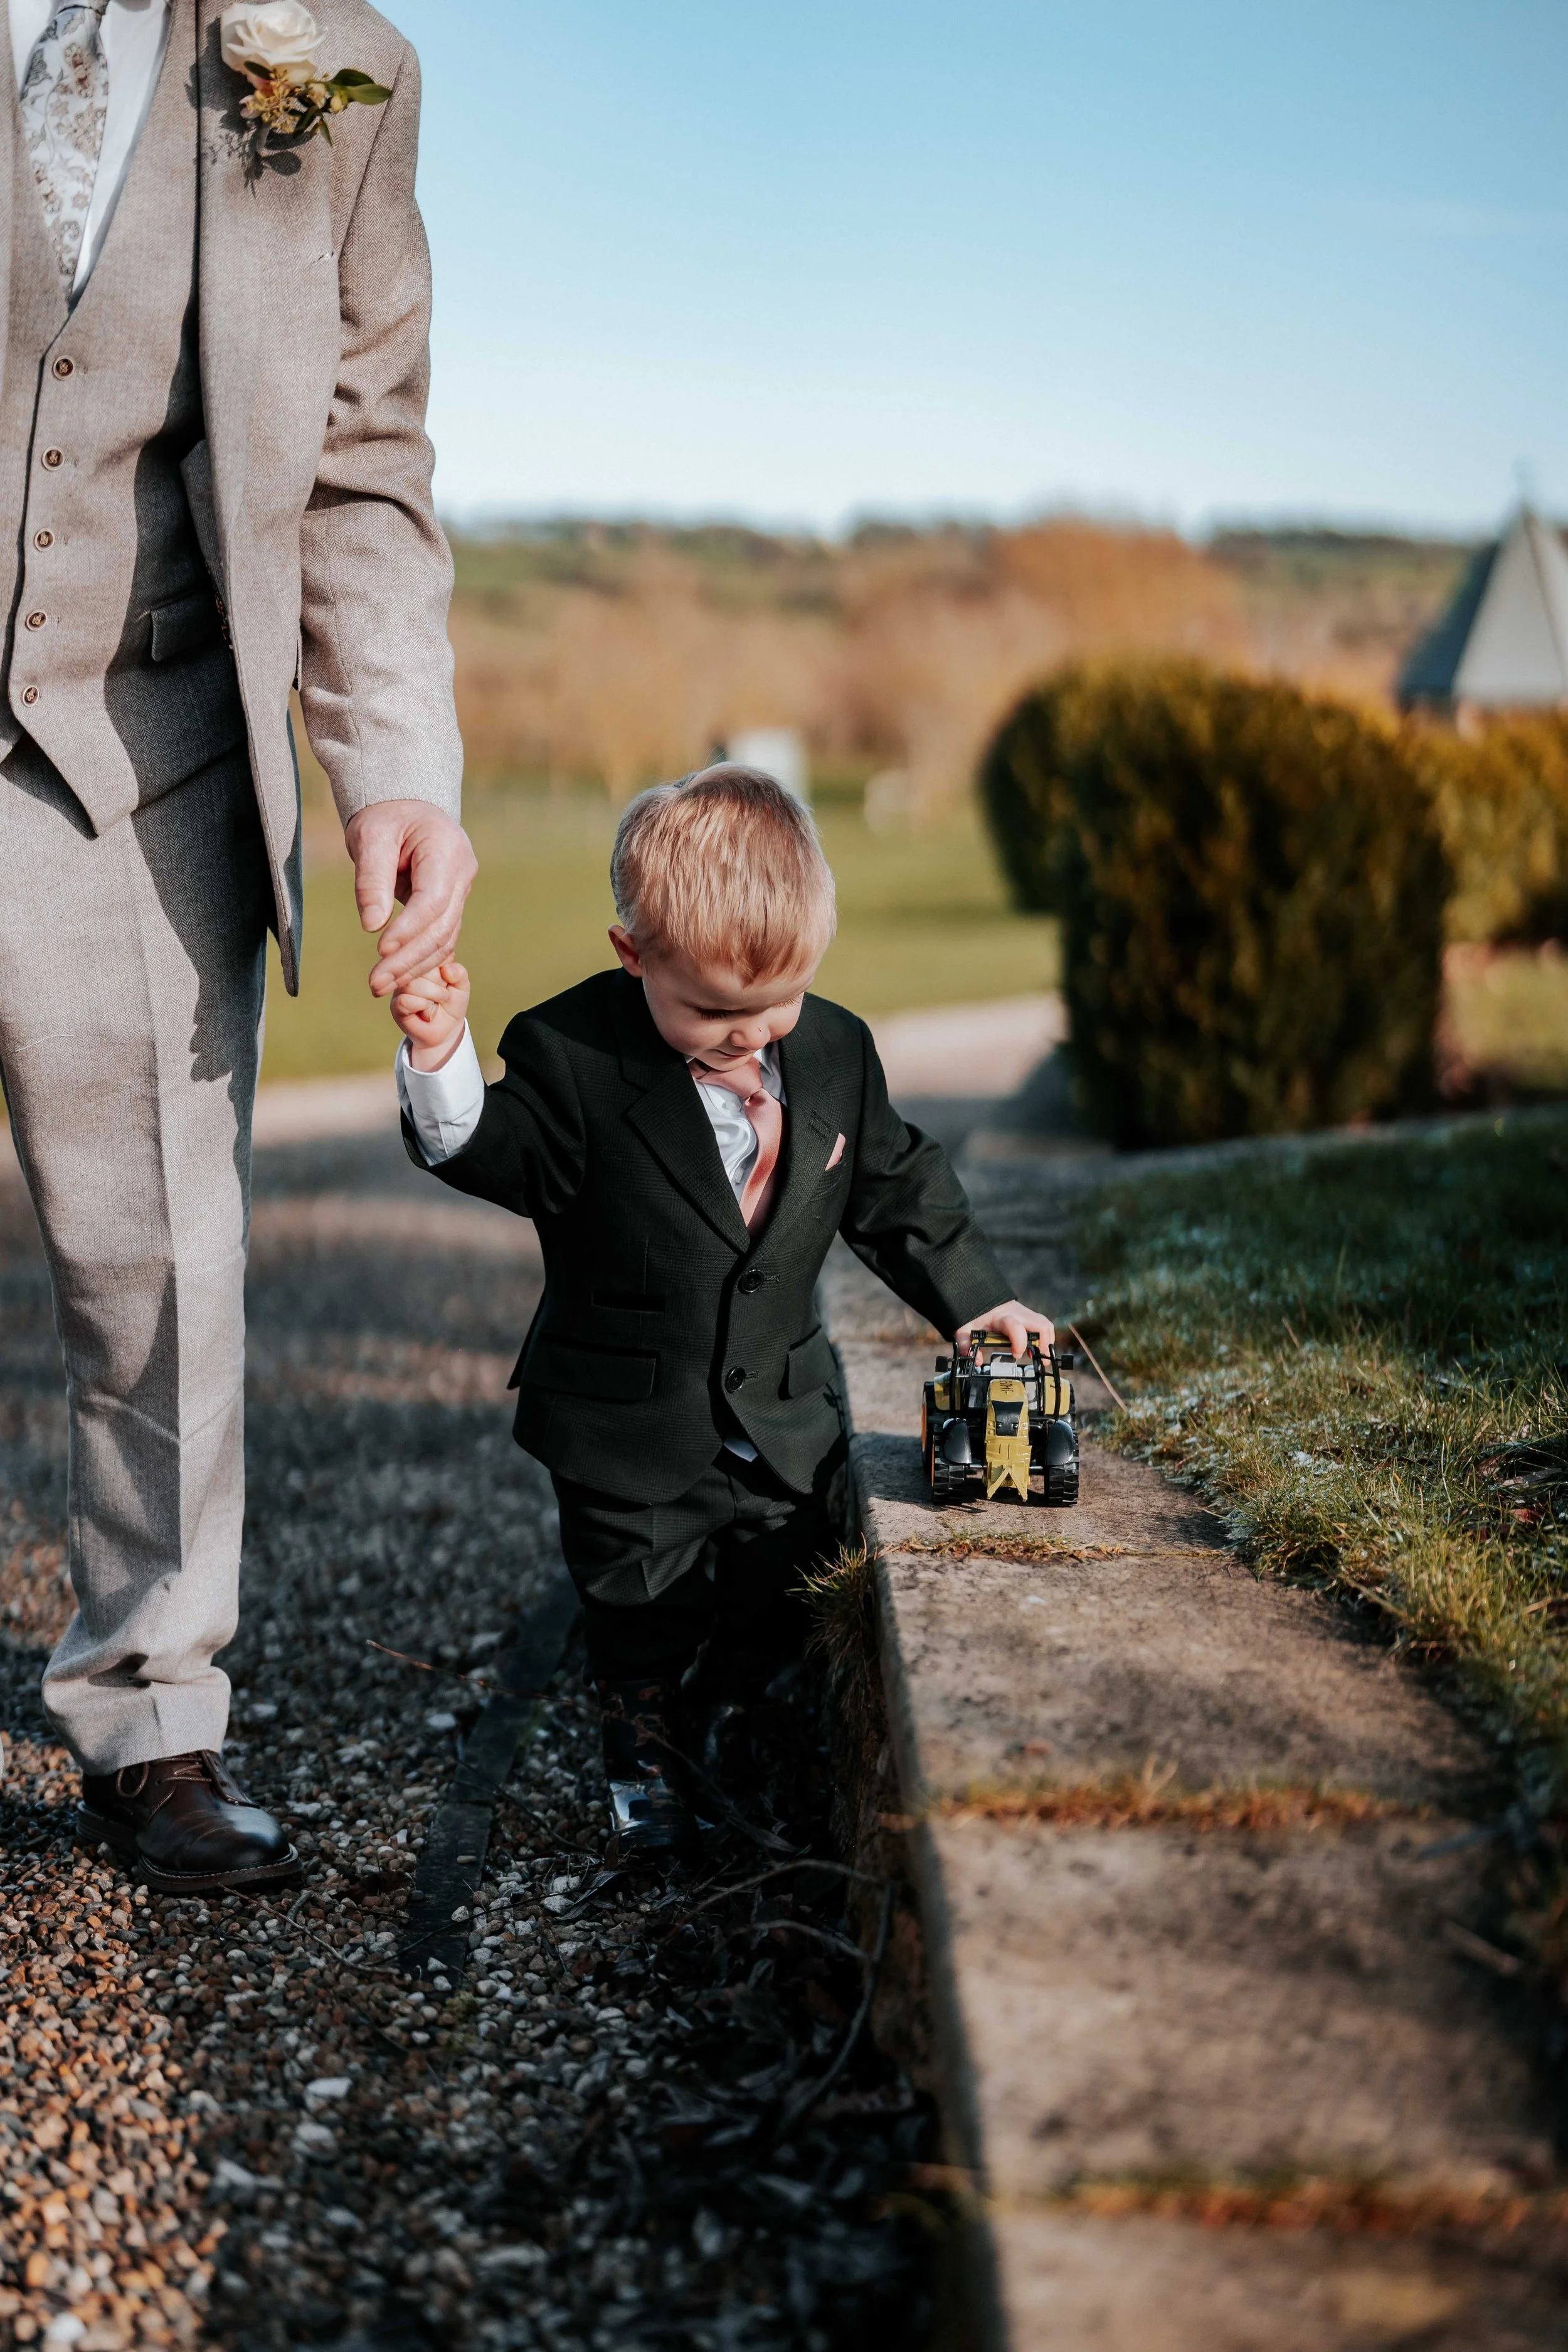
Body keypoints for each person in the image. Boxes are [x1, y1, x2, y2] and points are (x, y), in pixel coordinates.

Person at [0, 0, 476, 1892]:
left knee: (158, 1259)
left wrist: (394, 765)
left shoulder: (334, 62)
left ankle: (151, 1712)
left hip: (146, 729)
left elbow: (363, 452)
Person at [389, 766, 1054, 1863]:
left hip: (781, 1414)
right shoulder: (576, 1055)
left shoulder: (835, 1052)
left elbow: (897, 1187)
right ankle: (639, 1745)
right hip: (627, 1422)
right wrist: (437, 1055)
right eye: (709, 1010)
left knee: (778, 1579)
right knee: (641, 1602)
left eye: (773, 1004)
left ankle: (732, 1712)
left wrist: (978, 1305)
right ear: (631, 952)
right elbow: (490, 1150)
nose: (749, 1036)